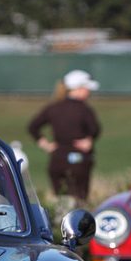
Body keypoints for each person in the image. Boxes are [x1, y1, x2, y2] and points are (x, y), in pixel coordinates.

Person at [28, 69, 102, 204]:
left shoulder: (53, 108)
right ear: (78, 89)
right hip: (80, 161)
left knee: (61, 202)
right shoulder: (84, 110)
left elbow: (33, 127)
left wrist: (46, 145)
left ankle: (60, 224)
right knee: (80, 201)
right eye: (86, 88)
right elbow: (95, 130)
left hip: (57, 160)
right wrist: (88, 141)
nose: (88, 91)